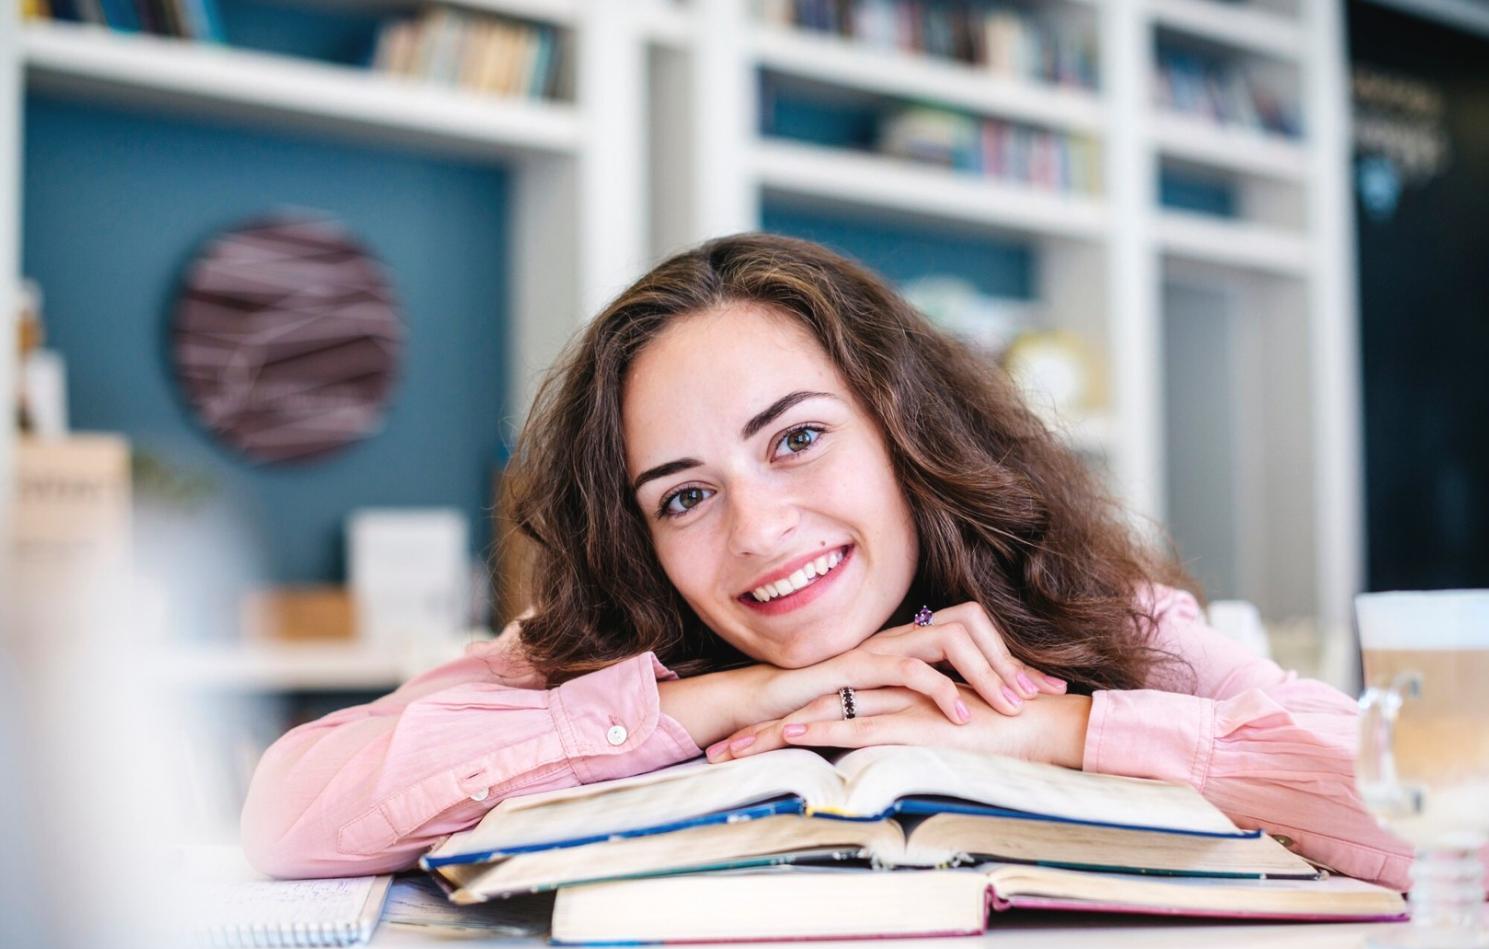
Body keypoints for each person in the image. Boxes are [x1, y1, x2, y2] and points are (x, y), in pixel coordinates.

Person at [241, 233, 1411, 889]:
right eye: (685, 495)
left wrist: (1044, 731)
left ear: (907, 435)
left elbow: (1447, 816)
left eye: (797, 439)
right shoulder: (607, 660)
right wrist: (753, 696)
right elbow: (288, 816)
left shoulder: (1108, 621)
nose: (756, 532)